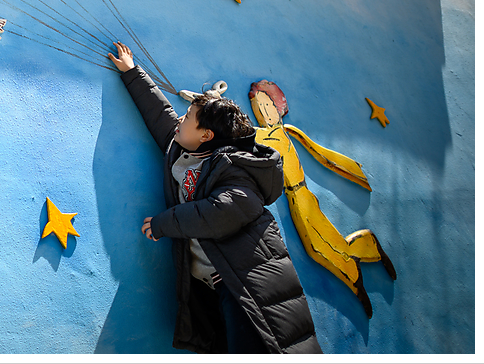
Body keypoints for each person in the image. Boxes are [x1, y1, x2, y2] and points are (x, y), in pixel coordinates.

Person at [108, 41, 321, 354]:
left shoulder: (237, 167)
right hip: (220, 283)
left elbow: (220, 212)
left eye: (188, 117)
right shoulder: (183, 150)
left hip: (249, 284)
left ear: (206, 135)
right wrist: (131, 72)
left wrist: (164, 223)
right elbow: (160, 115)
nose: (180, 120)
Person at [249, 79, 395, 318]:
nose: (264, 112)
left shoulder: (278, 134)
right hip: (295, 197)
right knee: (323, 247)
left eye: (268, 106)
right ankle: (363, 259)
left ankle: (359, 273)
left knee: (317, 247)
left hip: (301, 196)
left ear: (279, 107)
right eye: (260, 107)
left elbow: (317, 152)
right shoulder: (273, 133)